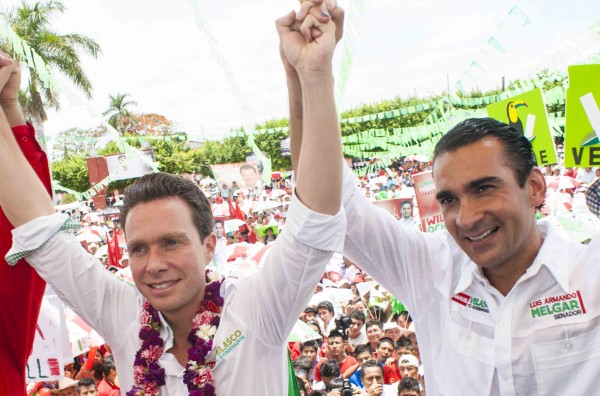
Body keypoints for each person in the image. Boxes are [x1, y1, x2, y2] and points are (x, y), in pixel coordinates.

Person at [0, 8, 346, 393]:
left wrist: (313, 75)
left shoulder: (256, 310)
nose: (154, 265)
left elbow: (314, 219)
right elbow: (40, 230)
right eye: (138, 249)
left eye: (171, 242)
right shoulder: (123, 317)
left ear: (209, 244)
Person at [288, 2, 600, 394]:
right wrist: (310, 76)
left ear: (535, 187)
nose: (466, 218)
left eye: (484, 188)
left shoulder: (590, 276)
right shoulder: (431, 270)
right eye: (449, 199)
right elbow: (332, 198)